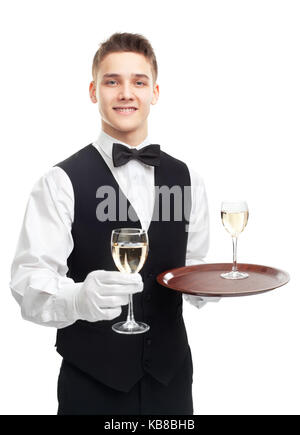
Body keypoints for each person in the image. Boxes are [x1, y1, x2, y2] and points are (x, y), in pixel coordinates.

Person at [9, 32, 219, 415]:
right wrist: (77, 299)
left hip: (171, 383)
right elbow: (28, 281)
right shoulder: (59, 182)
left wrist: (213, 285)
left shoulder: (187, 178)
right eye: (112, 81)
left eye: (138, 82)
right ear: (94, 91)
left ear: (155, 92)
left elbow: (193, 272)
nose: (126, 93)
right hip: (92, 384)